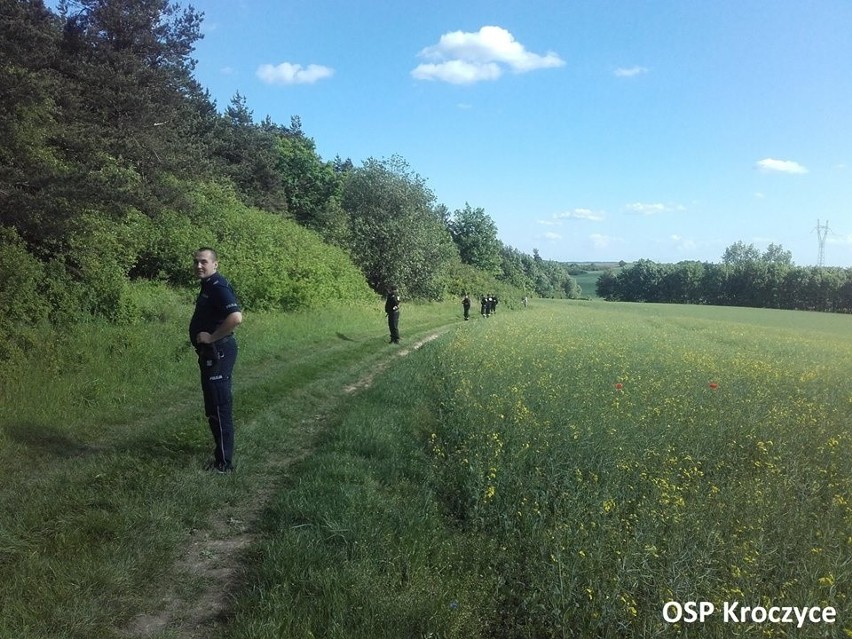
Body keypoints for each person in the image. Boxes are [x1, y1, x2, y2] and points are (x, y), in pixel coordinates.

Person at [189, 247, 243, 474]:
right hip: (211, 354)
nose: (199, 266)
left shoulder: (218, 286)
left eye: (204, 262)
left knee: (220, 407)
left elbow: (236, 317)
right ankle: (221, 457)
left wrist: (211, 337)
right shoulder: (208, 286)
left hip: (219, 351)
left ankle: (224, 465)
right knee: (212, 407)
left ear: (215, 264)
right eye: (196, 262)